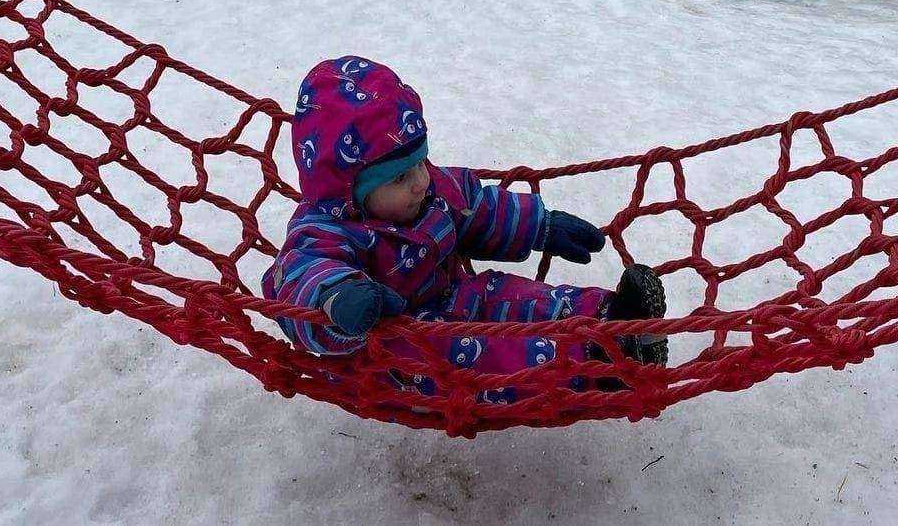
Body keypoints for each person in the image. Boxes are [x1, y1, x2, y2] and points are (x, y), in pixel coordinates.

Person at [263, 57, 667, 399]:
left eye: (421, 162)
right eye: (400, 177)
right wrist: (340, 300)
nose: (421, 181)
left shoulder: (431, 189)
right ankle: (593, 365)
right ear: (352, 189)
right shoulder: (323, 230)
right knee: (480, 353)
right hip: (392, 352)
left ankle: (615, 318)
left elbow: (477, 207)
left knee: (513, 295)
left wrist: (540, 225)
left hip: (455, 297)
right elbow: (300, 279)